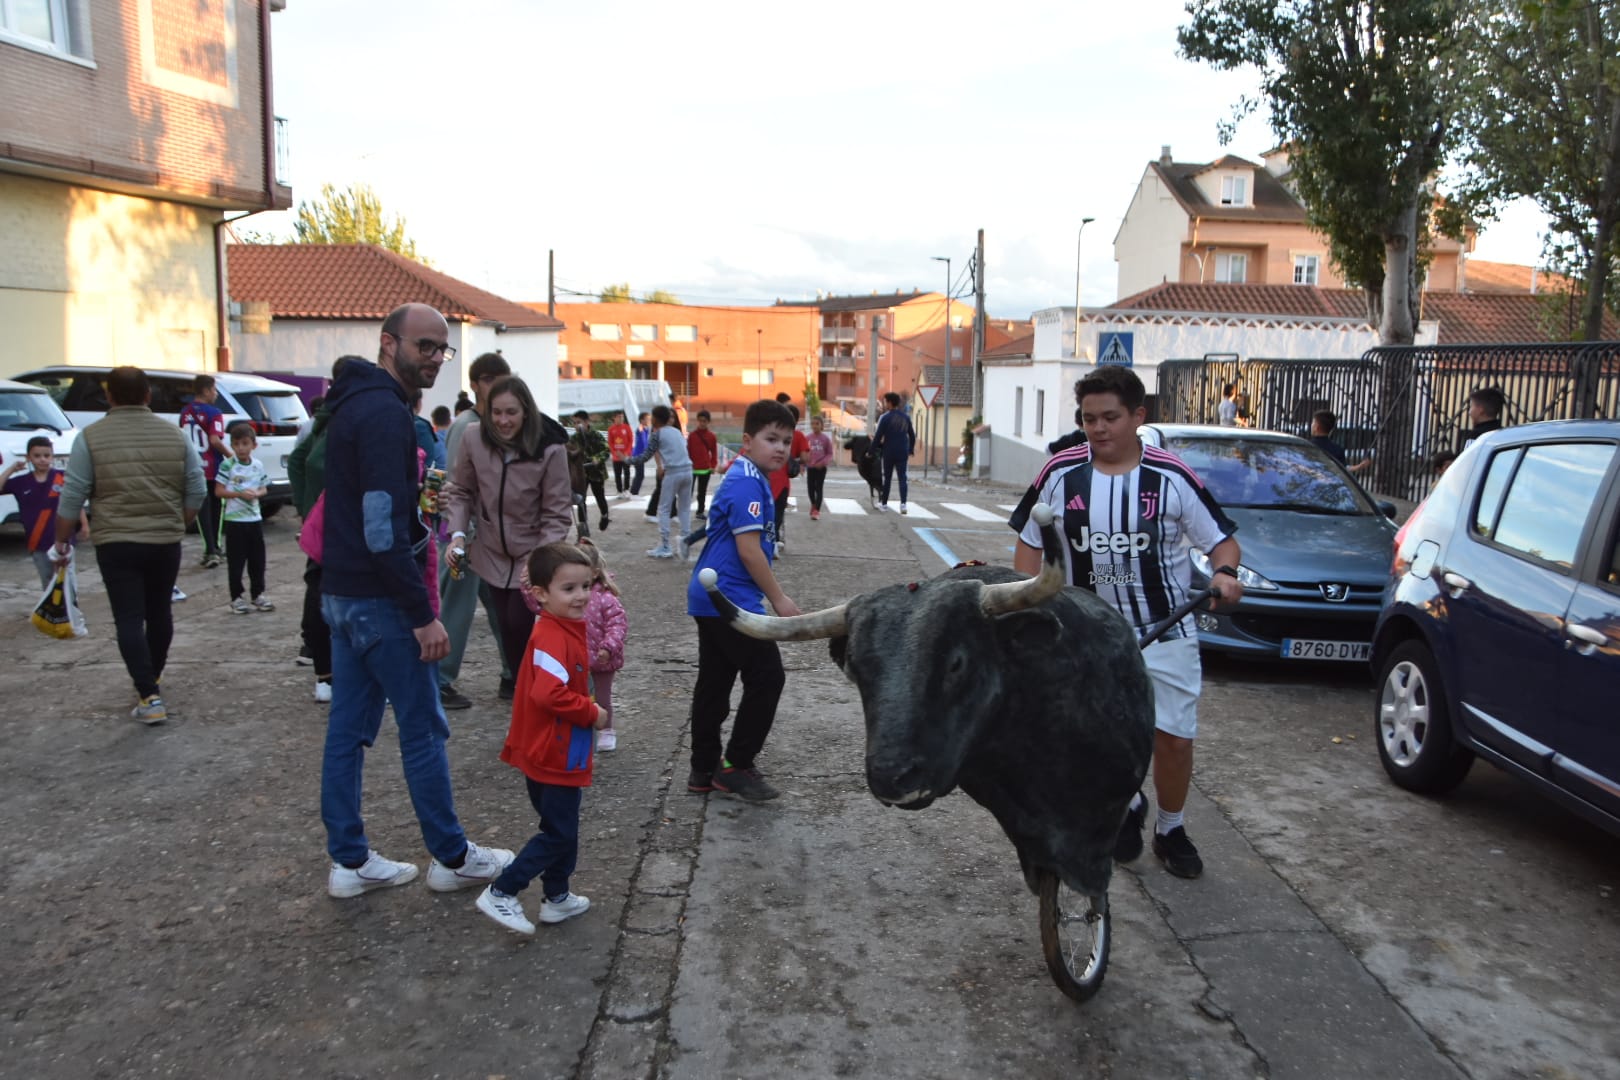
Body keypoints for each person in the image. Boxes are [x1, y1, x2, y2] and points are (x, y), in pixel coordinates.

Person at [1009, 365, 1243, 880]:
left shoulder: (1172, 476)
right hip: (1083, 632)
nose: (1098, 428)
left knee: (1173, 739)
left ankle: (1171, 828)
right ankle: (1127, 803)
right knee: (1089, 734)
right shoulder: (1059, 473)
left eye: (1110, 417)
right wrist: (1027, 606)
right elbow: (1028, 545)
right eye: (1088, 418)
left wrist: (1225, 573)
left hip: (1165, 629)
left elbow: (1222, 542)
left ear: (1138, 416)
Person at [319, 303, 513, 899]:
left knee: (348, 731)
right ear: (388, 343)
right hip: (380, 599)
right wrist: (423, 615)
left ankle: (349, 861)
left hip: (342, 593)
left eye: (441, 348)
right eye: (422, 346)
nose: (433, 358)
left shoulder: (352, 403)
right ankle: (452, 857)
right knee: (423, 728)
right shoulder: (384, 413)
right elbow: (380, 529)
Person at [56, 366, 206, 724]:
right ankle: (153, 678)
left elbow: (73, 495)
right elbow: (197, 489)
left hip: (116, 542)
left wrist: (61, 539)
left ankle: (148, 695)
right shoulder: (174, 435)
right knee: (160, 612)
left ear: (109, 396)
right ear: (148, 395)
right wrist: (177, 522)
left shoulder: (90, 437)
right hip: (164, 540)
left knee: (128, 617)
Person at [475, 543, 607, 935]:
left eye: (585, 586)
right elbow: (548, 694)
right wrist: (592, 713)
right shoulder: (552, 636)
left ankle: (557, 897)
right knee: (558, 833)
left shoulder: (562, 628)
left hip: (559, 749)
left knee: (562, 827)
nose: (581, 596)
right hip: (553, 751)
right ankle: (503, 890)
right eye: (569, 589)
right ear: (540, 594)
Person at [685, 399, 801, 802]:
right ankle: (736, 765)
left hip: (712, 595)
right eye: (771, 439)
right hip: (729, 598)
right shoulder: (748, 482)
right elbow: (749, 551)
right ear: (748, 441)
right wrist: (779, 599)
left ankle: (703, 769)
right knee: (768, 676)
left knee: (715, 683)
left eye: (786, 440)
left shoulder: (748, 476)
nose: (780, 448)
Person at [443, 374, 574, 690]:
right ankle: (523, 693)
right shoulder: (474, 438)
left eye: (511, 412)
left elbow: (557, 513)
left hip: (532, 552)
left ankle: (547, 691)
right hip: (491, 551)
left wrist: (539, 560)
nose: (503, 421)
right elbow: (461, 490)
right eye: (496, 412)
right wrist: (457, 533)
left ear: (525, 412)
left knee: (521, 621)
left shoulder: (550, 448)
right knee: (506, 628)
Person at [437, 352, 515, 710]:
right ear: (474, 385)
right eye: (488, 379)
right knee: (457, 609)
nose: (496, 385)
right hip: (467, 537)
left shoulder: (495, 424)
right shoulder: (466, 426)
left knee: (504, 611)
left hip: (493, 538)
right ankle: (439, 680)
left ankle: (512, 674)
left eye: (502, 378)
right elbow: (457, 487)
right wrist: (461, 535)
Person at [288, 356, 362, 703]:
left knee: (320, 590)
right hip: (336, 524)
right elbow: (310, 462)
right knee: (326, 594)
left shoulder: (324, 416)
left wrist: (306, 509)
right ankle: (326, 674)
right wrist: (313, 508)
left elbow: (299, 461)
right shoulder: (339, 419)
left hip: (325, 523)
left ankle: (326, 671)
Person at [2, 435, 85, 589]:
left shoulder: (62, 477)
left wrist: (84, 525)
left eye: (47, 455)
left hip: (63, 540)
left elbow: (75, 502)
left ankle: (71, 605)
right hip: (37, 541)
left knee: (68, 583)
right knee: (48, 583)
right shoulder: (21, 482)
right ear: (28, 458)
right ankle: (52, 605)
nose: (42, 459)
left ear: (52, 457)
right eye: (37, 456)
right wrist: (12, 469)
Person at [216, 421, 274, 614]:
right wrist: (239, 494)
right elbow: (218, 491)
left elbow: (264, 488)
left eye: (245, 443)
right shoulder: (228, 465)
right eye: (236, 444)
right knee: (236, 562)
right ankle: (236, 597)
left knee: (257, 560)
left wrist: (256, 494)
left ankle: (258, 594)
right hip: (235, 521)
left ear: (253, 445)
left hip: (254, 520)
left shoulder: (257, 465)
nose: (241, 448)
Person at [579, 538, 627, 751]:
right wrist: (528, 588)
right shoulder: (568, 596)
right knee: (579, 696)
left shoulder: (606, 599)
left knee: (602, 697)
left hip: (601, 659)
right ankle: (582, 725)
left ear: (595, 572)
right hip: (576, 658)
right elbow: (540, 607)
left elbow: (618, 625)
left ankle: (606, 730)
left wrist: (608, 647)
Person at [626, 404, 692, 559]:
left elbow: (645, 456)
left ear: (656, 418)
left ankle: (665, 546)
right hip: (688, 470)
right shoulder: (677, 432)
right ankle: (685, 543)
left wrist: (627, 460)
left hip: (673, 472)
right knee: (684, 509)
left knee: (664, 509)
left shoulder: (657, 434)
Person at [179, 374, 228, 568]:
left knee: (202, 509)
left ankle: (210, 549)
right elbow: (214, 440)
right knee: (216, 508)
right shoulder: (214, 413)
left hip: (194, 466)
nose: (216, 394)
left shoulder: (185, 412)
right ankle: (215, 548)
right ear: (206, 391)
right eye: (214, 390)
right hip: (212, 467)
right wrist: (231, 455)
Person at [871, 392, 915, 514]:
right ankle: (903, 505)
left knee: (887, 479)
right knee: (902, 478)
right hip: (902, 452)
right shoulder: (906, 418)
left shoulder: (885, 418)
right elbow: (912, 435)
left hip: (889, 452)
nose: (885, 404)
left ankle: (884, 504)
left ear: (890, 403)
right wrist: (910, 449)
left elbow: (878, 437)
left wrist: (871, 451)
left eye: (885, 401)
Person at [568, 410, 611, 531]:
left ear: (586, 422)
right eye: (574, 423)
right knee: (581, 499)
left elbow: (606, 450)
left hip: (597, 473)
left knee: (599, 497)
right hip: (581, 473)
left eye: (579, 422)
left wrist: (597, 458)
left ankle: (604, 516)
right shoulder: (574, 438)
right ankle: (583, 527)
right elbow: (569, 453)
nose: (576, 425)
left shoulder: (596, 435)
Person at [1309, 410, 1371, 475]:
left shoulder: (1307, 446)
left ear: (1316, 426)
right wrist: (1359, 466)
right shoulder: (1337, 449)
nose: (1311, 425)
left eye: (1313, 422)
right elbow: (1343, 468)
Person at [688, 409, 719, 517]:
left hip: (705, 468)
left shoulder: (711, 436)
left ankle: (700, 511)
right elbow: (688, 451)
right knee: (688, 491)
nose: (702, 423)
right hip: (692, 468)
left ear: (708, 422)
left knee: (702, 492)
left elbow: (714, 452)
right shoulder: (692, 436)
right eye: (700, 421)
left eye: (704, 421)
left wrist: (713, 466)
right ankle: (684, 510)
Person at [804, 414, 834, 521]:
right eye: (813, 424)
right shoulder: (808, 438)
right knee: (810, 488)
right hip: (810, 467)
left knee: (819, 488)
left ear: (822, 425)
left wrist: (823, 462)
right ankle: (813, 504)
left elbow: (830, 454)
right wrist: (802, 464)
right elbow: (804, 452)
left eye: (817, 424)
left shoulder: (825, 439)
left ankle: (816, 510)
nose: (815, 426)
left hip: (821, 468)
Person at [1459, 385, 1506, 453]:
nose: (1469, 412)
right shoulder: (1504, 434)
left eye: (1471, 406)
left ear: (1480, 410)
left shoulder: (1475, 436)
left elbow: (1468, 458)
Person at [607, 410, 633, 495]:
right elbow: (610, 443)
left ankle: (626, 489)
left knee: (627, 472)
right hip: (616, 456)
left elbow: (630, 441)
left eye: (622, 417)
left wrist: (626, 453)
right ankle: (619, 490)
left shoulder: (627, 427)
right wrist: (615, 453)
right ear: (614, 418)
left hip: (625, 456)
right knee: (617, 474)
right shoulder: (611, 429)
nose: (621, 418)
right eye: (619, 417)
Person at [629, 411, 651, 496]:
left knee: (639, 474)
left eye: (649, 419)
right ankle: (634, 493)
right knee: (640, 475)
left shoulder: (646, 429)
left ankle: (633, 492)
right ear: (642, 420)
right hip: (637, 455)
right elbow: (643, 440)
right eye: (647, 419)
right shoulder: (641, 428)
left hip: (640, 455)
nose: (649, 421)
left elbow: (646, 441)